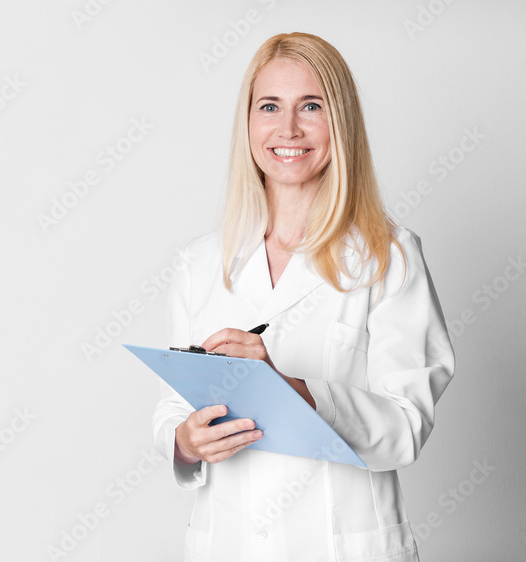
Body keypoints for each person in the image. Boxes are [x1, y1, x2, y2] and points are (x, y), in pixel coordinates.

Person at [152, 32, 455, 561]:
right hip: (230, 543)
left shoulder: (389, 256)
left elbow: (406, 428)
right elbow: (172, 410)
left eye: (311, 106)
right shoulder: (201, 262)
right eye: (269, 106)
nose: (288, 128)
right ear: (249, 122)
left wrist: (293, 390)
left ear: (341, 122)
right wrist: (184, 443)